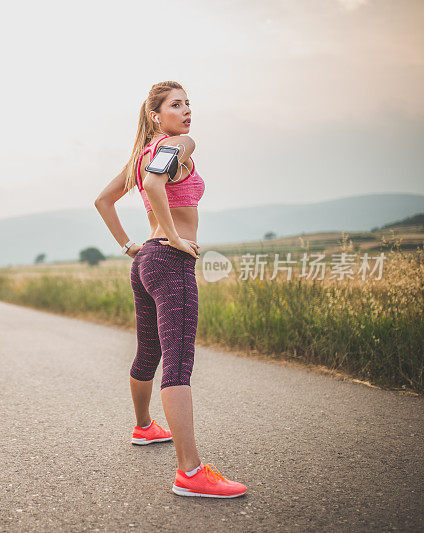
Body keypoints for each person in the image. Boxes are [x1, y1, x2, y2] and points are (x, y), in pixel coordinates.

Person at [94, 81, 247, 498]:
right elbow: (157, 185)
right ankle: (190, 472)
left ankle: (144, 427)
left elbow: (103, 201)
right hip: (170, 262)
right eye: (176, 104)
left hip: (146, 261)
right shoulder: (180, 144)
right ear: (155, 115)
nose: (187, 111)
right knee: (177, 365)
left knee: (149, 351)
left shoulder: (142, 154)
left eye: (188, 103)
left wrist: (131, 246)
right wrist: (177, 240)